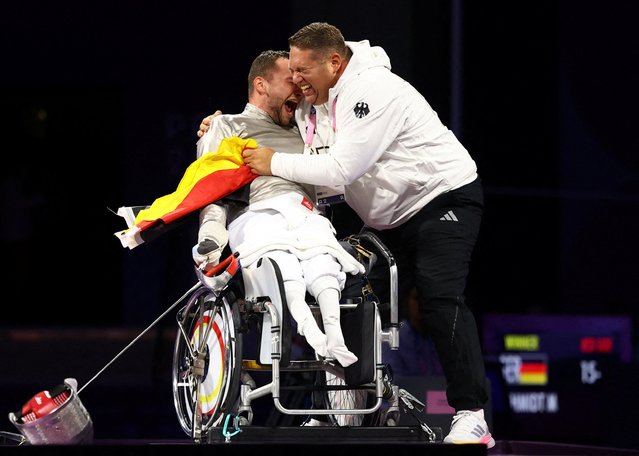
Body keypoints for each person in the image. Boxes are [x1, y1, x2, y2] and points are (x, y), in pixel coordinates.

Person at [230, 23, 493, 447]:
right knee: (340, 280)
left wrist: (272, 162)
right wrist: (223, 123)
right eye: (291, 71)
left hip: (443, 201)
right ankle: (341, 406)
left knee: (438, 296)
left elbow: (339, 171)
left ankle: (472, 416)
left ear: (334, 63)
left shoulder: (370, 91)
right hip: (389, 219)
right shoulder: (318, 102)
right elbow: (307, 152)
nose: (296, 79)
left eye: (302, 69)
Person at [195, 49, 362, 367]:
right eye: (290, 80)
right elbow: (211, 189)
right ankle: (315, 337)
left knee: (324, 260)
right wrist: (211, 237)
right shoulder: (227, 126)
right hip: (258, 216)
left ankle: (336, 342)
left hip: (306, 215)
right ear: (261, 84)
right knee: (283, 265)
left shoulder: (309, 128)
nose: (299, 88)